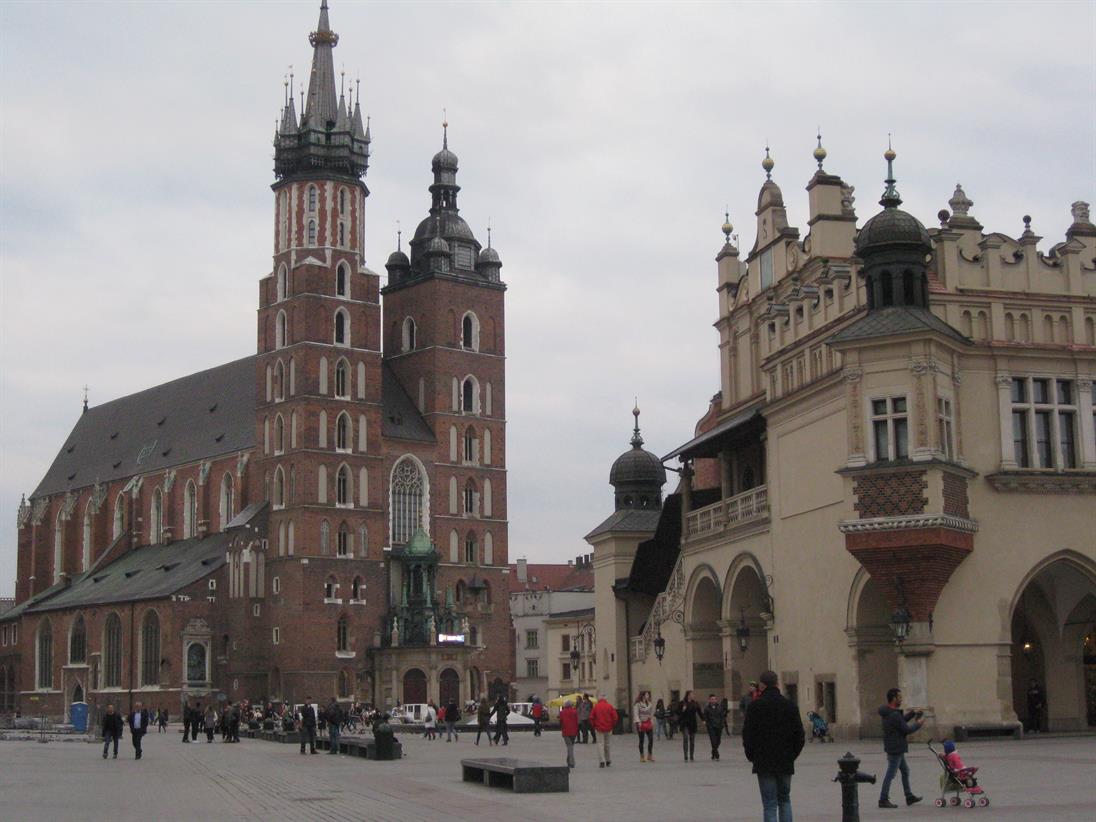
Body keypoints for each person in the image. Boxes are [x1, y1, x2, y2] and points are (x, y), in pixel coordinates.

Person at [742, 671, 805, 822]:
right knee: (785, 799)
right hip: (785, 760)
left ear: (762, 685)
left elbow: (748, 735)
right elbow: (800, 735)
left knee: (769, 804)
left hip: (763, 761)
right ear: (777, 684)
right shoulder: (790, 705)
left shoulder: (755, 707)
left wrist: (752, 756)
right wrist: (792, 755)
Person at [878, 687, 924, 809]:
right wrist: (918, 724)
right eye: (899, 697)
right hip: (896, 747)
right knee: (891, 773)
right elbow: (906, 729)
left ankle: (909, 796)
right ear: (893, 698)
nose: (901, 699)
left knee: (905, 771)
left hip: (894, 746)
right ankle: (883, 799)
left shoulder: (889, 712)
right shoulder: (894, 714)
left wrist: (912, 713)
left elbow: (901, 721)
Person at [590, 695, 618, 768]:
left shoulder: (596, 707)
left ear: (599, 699)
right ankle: (608, 760)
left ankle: (602, 761)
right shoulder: (609, 706)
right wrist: (612, 725)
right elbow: (615, 717)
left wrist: (594, 726)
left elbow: (591, 717)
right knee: (607, 744)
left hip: (599, 728)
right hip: (608, 728)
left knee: (600, 744)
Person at [675, 690, 700, 762]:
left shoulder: (695, 703)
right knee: (685, 738)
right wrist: (682, 710)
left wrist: (703, 719)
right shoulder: (682, 703)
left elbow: (699, 711)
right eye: (692, 694)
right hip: (684, 723)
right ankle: (685, 755)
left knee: (692, 740)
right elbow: (677, 712)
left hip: (692, 723)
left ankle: (691, 755)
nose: (693, 695)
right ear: (688, 695)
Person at [703, 693, 726, 760]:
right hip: (711, 727)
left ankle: (713, 751)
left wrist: (722, 724)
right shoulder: (707, 708)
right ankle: (716, 754)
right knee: (713, 740)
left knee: (718, 741)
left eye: (715, 699)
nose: (713, 700)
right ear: (709, 700)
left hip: (719, 726)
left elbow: (722, 717)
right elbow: (705, 717)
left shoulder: (720, 707)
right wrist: (707, 724)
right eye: (712, 699)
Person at [633, 690, 655, 762]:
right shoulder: (637, 704)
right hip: (641, 722)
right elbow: (636, 714)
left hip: (648, 722)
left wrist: (652, 721)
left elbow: (650, 714)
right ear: (643, 696)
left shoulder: (650, 704)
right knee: (641, 740)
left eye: (648, 695)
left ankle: (649, 755)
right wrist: (638, 722)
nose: (648, 696)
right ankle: (642, 756)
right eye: (647, 695)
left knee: (651, 739)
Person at [559, 699, 579, 768]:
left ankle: (571, 762)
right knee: (570, 746)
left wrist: (562, 728)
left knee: (569, 747)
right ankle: (569, 761)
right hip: (574, 731)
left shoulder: (562, 712)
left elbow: (561, 722)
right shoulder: (575, 711)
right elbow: (577, 721)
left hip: (566, 731)